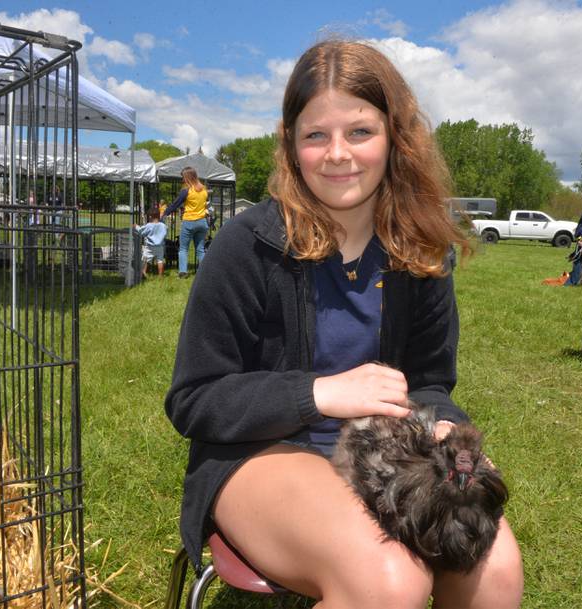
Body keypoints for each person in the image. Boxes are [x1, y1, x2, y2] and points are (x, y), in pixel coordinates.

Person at [165, 39, 523, 609]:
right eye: (316, 135)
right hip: (260, 452)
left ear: (393, 137)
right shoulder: (246, 246)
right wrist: (319, 393)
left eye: (359, 131)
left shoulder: (419, 250)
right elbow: (195, 399)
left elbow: (430, 383)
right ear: (291, 144)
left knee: (496, 567)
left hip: (383, 451)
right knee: (389, 579)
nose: (338, 153)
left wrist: (448, 434)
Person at [162, 167, 209, 278]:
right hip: (202, 222)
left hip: (189, 222)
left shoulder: (186, 190)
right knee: (200, 249)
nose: (182, 179)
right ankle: (204, 273)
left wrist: (164, 214)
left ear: (187, 177)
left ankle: (183, 272)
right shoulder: (204, 189)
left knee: (183, 249)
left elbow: (175, 204)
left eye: (183, 177)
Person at [134, 206, 168, 278]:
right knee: (160, 260)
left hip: (150, 246)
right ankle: (160, 275)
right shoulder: (163, 226)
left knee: (146, 259)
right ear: (159, 216)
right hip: (160, 246)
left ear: (150, 217)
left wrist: (136, 226)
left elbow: (142, 232)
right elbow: (165, 234)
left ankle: (144, 272)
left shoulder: (149, 225)